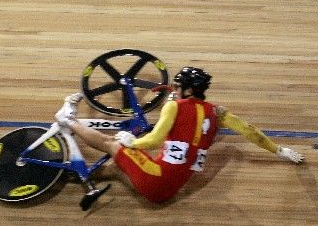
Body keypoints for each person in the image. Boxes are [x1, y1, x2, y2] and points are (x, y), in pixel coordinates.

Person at [54, 66, 305, 203]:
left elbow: (155, 140)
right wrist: (280, 150)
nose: (175, 90)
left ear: (186, 89)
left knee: (112, 144)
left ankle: (67, 119)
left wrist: (133, 141)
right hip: (170, 189)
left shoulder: (174, 106)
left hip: (155, 180)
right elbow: (250, 132)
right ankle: (71, 175)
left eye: (178, 86)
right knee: (119, 166)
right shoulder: (217, 112)